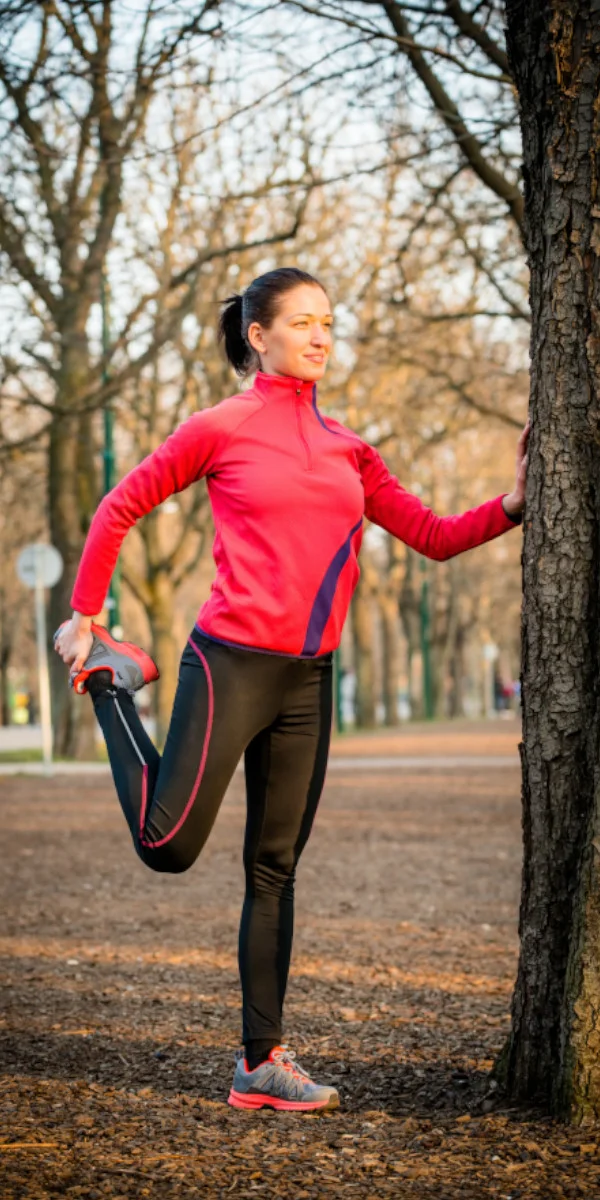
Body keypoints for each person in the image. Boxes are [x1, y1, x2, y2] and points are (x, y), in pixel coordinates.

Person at [54, 266, 528, 1112]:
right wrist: (87, 615)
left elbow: (433, 535)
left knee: (274, 870)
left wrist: (515, 503)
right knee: (168, 848)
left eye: (329, 323)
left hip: (311, 681)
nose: (320, 336)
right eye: (303, 322)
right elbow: (117, 508)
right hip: (228, 662)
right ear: (259, 336)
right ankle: (109, 681)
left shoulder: (352, 447)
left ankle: (260, 1062)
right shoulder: (220, 427)